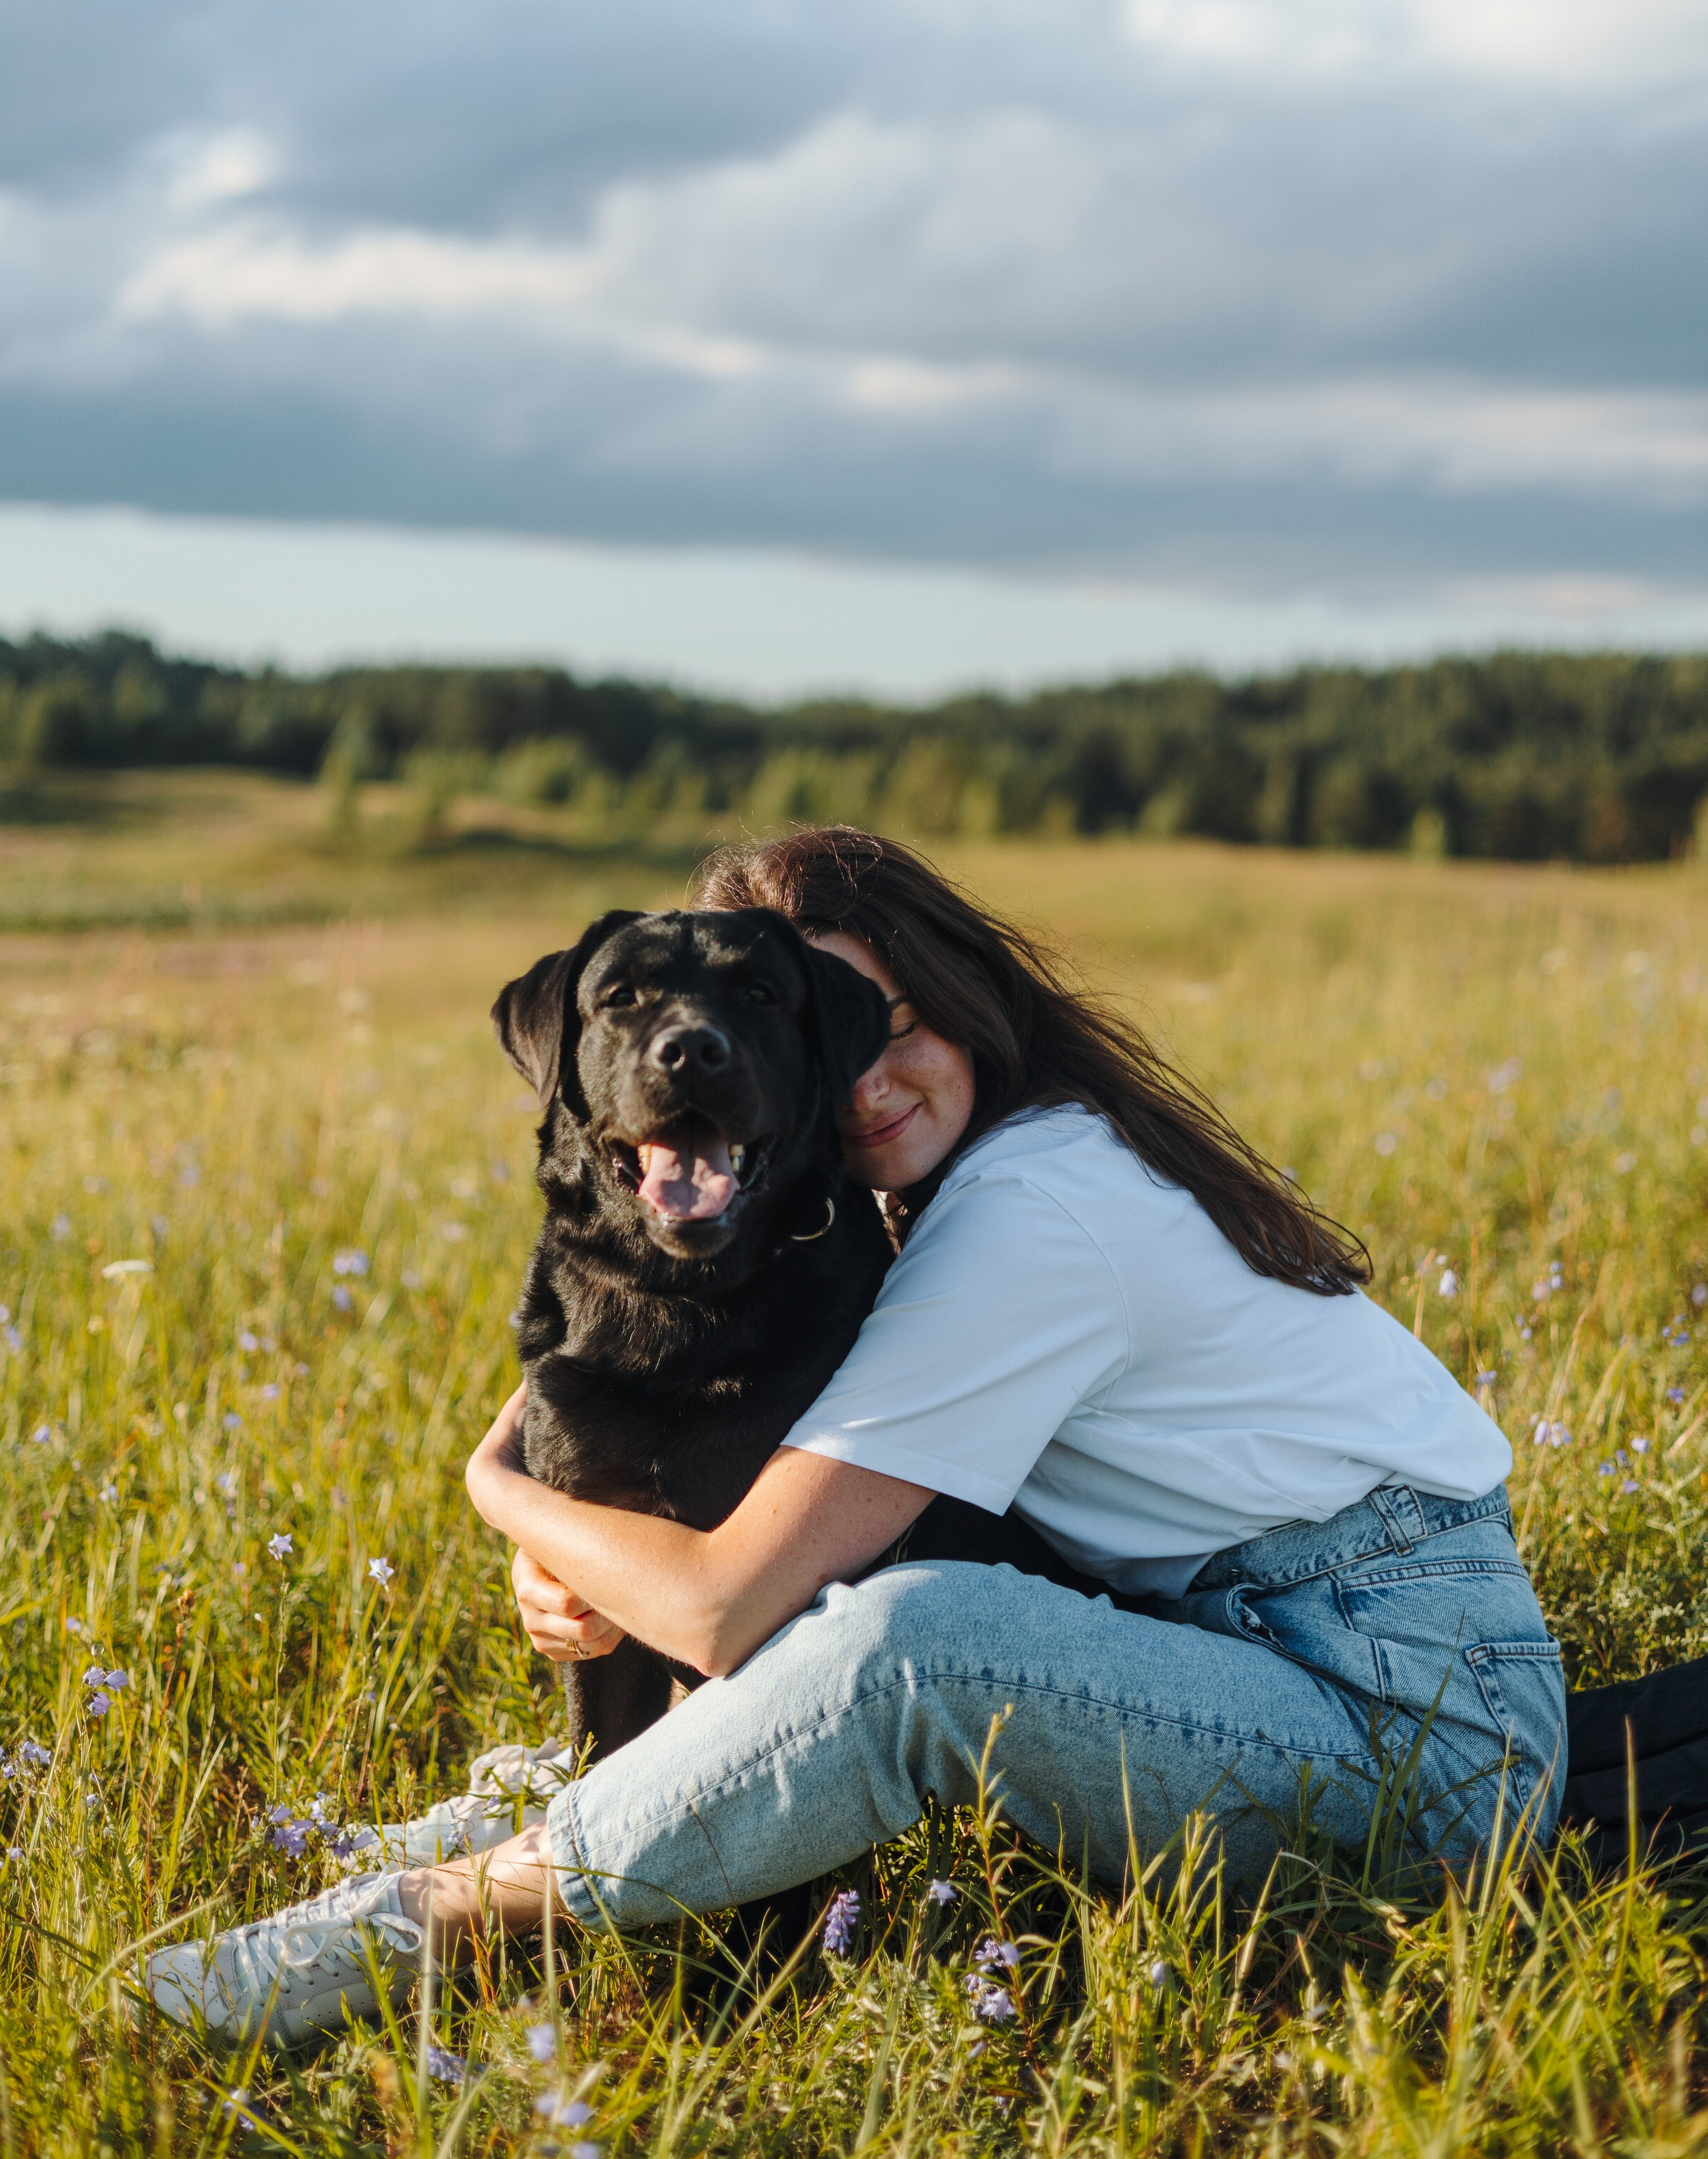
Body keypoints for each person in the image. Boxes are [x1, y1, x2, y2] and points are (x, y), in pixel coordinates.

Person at [149, 827, 1565, 2048]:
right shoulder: (979, 1182)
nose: (859, 1078)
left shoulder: (1034, 1209)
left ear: (970, 998)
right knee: (859, 1635)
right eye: (824, 1039)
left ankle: (425, 1923)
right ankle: (531, 1824)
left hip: (1418, 1742)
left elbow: (719, 1605)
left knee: (915, 1643)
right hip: (1291, 1658)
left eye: (888, 1022)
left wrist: (500, 1489)